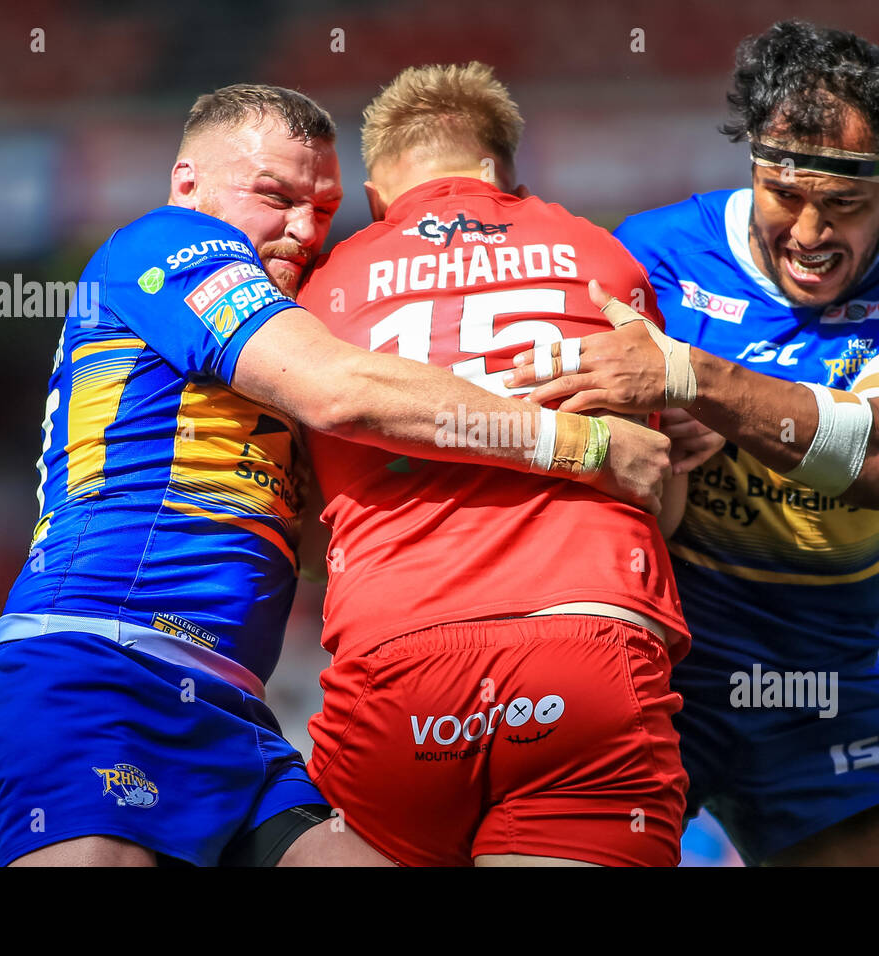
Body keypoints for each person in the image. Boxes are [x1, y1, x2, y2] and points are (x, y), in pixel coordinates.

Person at [0, 83, 670, 867]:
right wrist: (585, 446)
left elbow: (323, 535)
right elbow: (340, 390)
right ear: (186, 182)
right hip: (98, 671)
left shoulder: (261, 333)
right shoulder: (164, 243)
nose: (304, 230)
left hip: (233, 712)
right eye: (276, 195)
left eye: (325, 208)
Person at [506, 21, 879, 865]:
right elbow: (557, 419)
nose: (810, 233)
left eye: (842, 204)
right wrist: (635, 429)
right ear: (754, 171)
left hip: (822, 687)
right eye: (786, 195)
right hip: (648, 668)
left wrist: (689, 380)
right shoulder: (653, 253)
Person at [296, 63, 691, 866]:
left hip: (397, 667)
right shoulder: (601, 259)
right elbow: (660, 494)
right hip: (586, 653)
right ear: (504, 172)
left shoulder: (318, 293)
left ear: (376, 196)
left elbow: (303, 547)